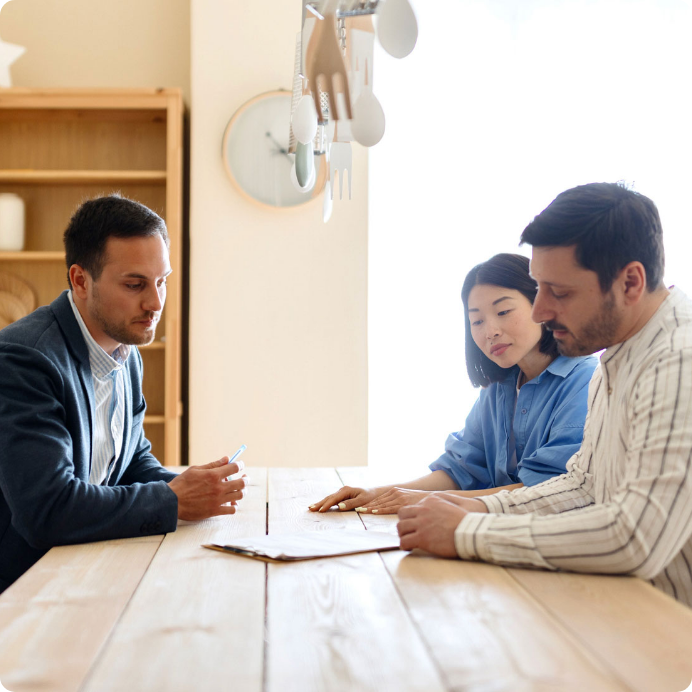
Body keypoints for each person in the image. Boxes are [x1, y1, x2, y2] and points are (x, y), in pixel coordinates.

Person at [397, 182, 692, 608]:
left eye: (561, 292)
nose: (539, 312)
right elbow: (583, 485)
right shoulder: (619, 358)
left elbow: (635, 536)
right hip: (628, 612)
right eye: (539, 289)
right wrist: (477, 511)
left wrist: (468, 532)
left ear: (630, 281)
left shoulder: (677, 360)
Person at [0, 195, 247, 593]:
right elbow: (45, 510)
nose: (154, 303)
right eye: (135, 284)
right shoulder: (24, 359)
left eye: (161, 281)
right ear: (80, 280)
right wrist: (172, 500)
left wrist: (196, 487)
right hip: (24, 590)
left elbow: (129, 459)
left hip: (84, 569)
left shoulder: (123, 350)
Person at [310, 253, 598, 515]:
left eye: (503, 312)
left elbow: (550, 490)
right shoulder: (501, 386)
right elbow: (461, 469)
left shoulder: (584, 380)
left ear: (541, 307)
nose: (491, 332)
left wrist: (432, 501)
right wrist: (379, 492)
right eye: (476, 321)